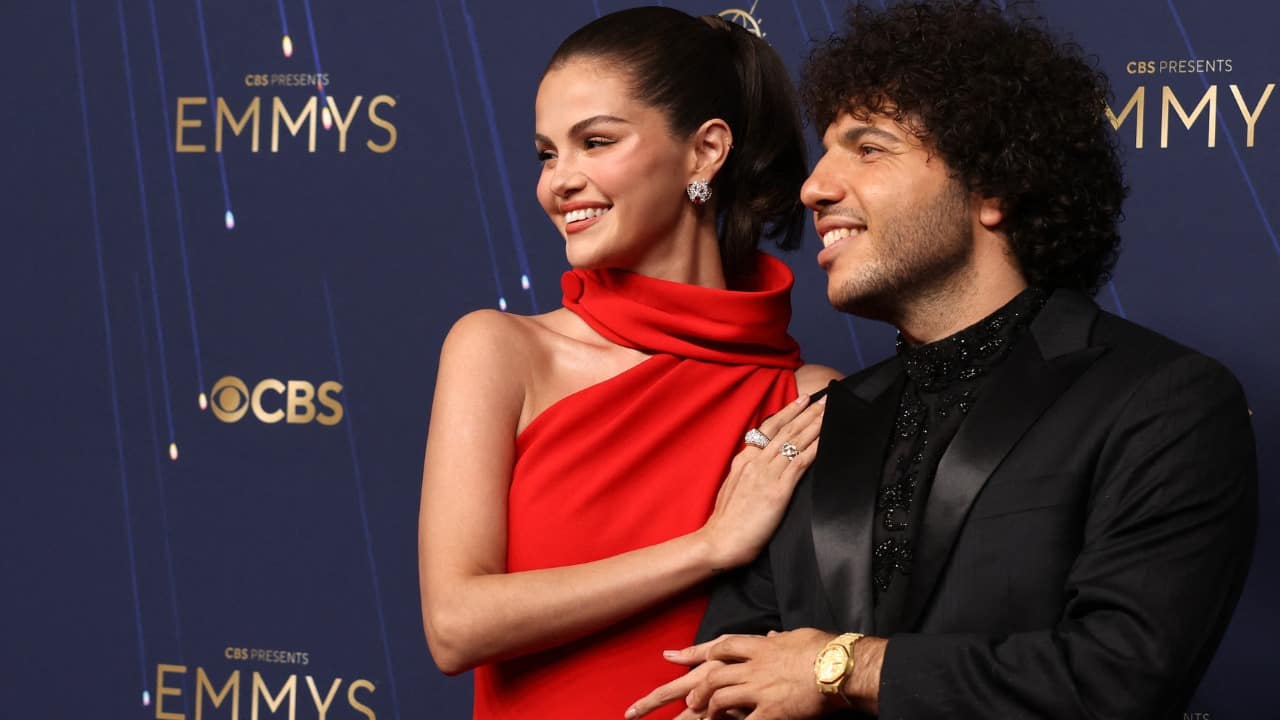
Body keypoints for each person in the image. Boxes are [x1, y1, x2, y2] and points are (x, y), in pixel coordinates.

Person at [627, 2, 1258, 718]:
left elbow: (1120, 675)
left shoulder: (1163, 401)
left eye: (869, 149)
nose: (814, 188)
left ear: (995, 187)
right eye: (825, 151)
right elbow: (729, 677)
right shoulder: (818, 425)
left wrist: (843, 666)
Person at [418, 7, 841, 719]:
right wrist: (707, 548)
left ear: (705, 152)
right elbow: (456, 625)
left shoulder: (810, 400)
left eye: (596, 142)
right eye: (548, 153)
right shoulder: (503, 350)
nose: (560, 181)